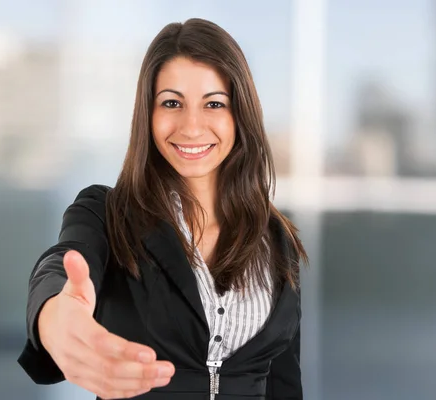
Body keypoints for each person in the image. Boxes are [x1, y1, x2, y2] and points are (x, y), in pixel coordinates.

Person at [17, 17, 308, 400]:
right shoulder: (106, 214)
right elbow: (61, 265)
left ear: (240, 115)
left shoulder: (274, 238)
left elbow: (284, 384)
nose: (191, 126)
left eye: (214, 104)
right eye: (171, 103)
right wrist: (55, 318)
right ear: (147, 114)